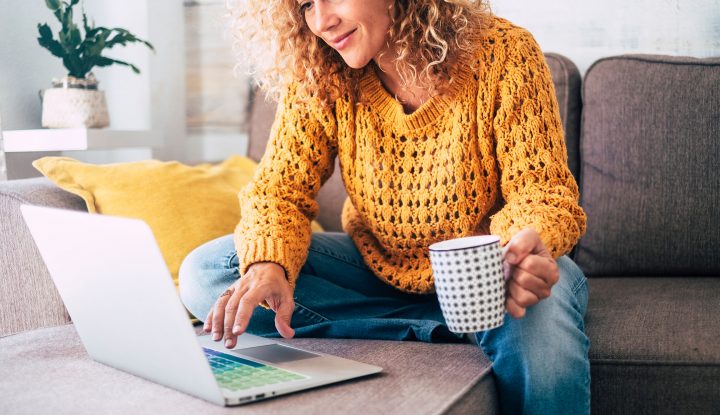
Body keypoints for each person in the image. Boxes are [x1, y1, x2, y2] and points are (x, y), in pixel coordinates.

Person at [179, 1, 590, 413]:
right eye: (305, 5)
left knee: (539, 309)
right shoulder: (323, 72)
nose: (321, 21)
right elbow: (278, 191)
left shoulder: (505, 53)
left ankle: (468, 320)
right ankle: (447, 328)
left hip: (489, 275)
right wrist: (268, 265)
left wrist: (518, 253)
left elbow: (541, 193)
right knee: (208, 272)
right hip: (378, 270)